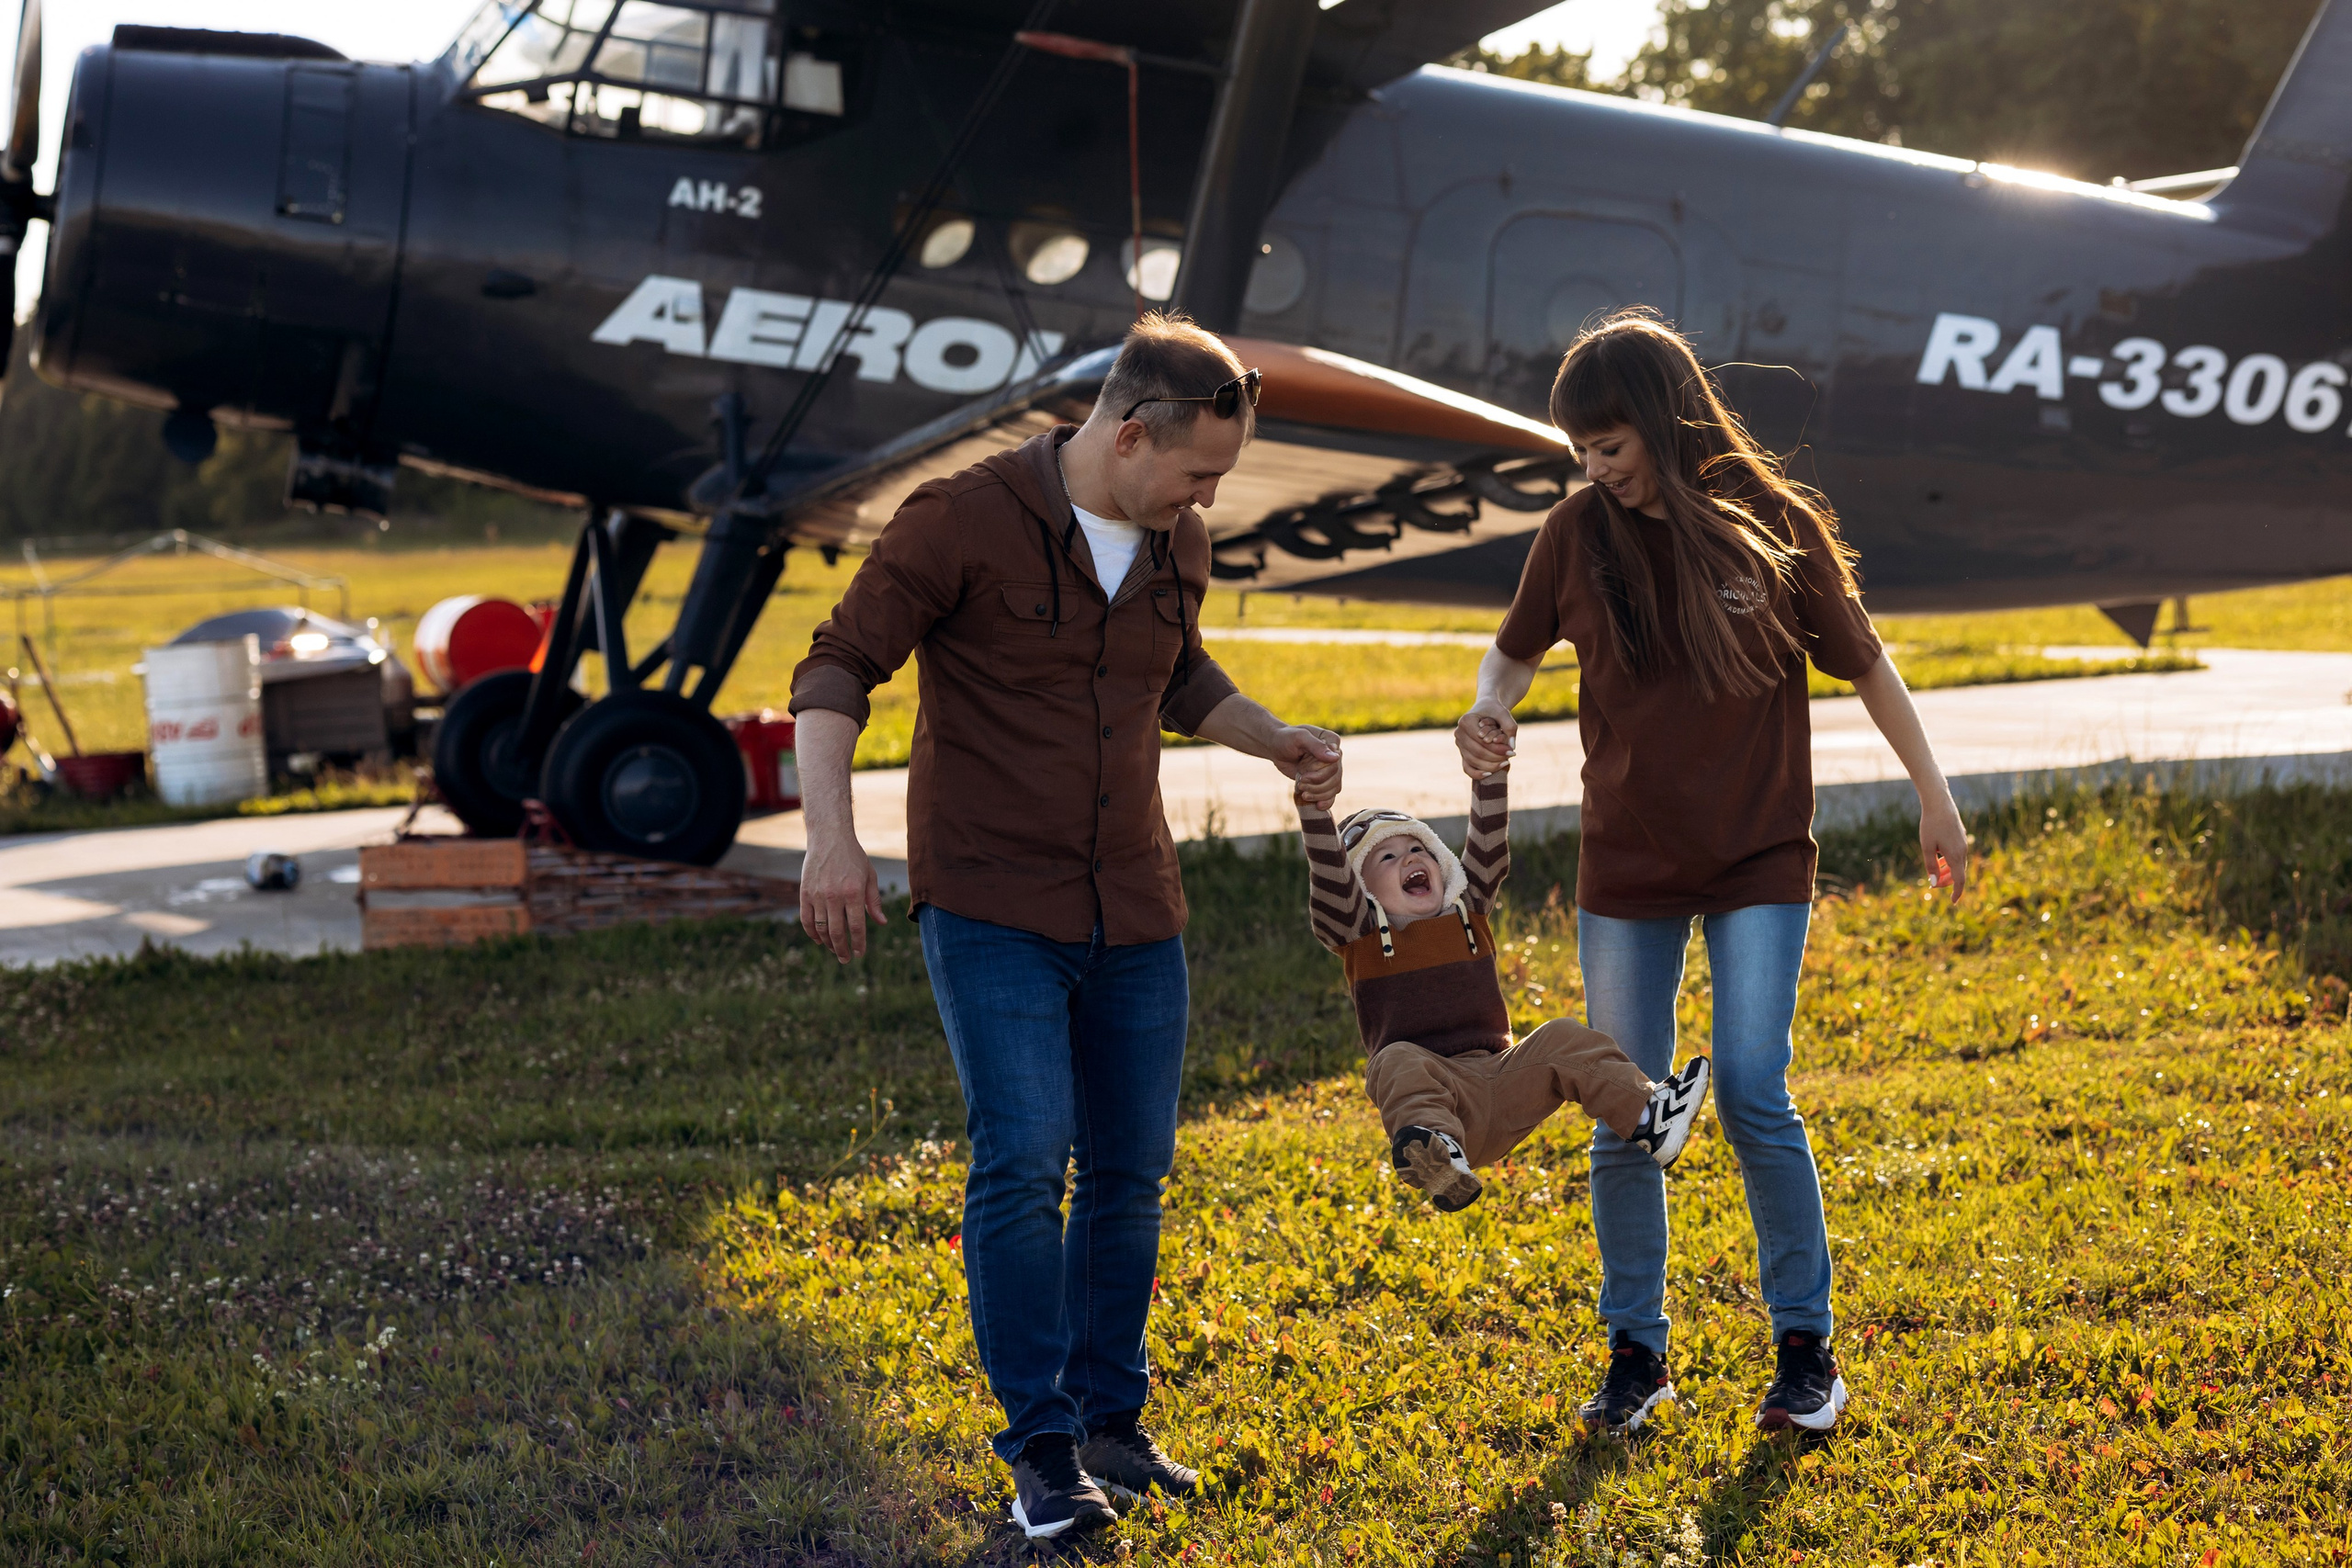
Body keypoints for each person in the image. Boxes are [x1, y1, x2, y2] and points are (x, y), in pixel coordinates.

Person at [789, 312, 1343, 1541]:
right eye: (1199, 470)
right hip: (993, 904)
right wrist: (834, 837)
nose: (1210, 495)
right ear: (1131, 431)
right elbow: (835, 671)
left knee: (1131, 1177)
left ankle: (1110, 1422)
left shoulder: (1171, 537)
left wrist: (1275, 737)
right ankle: (1040, 1448)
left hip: (1136, 904)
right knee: (1025, 1159)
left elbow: (1178, 674)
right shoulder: (960, 517)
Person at [1455, 309, 1969, 1438]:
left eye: (1611, 449)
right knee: (1621, 1102)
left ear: (1661, 421)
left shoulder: (1770, 524)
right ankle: (1635, 1356)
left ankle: (1804, 1354)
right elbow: (1510, 652)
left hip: (1758, 858)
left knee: (1747, 1085)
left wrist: (1934, 795)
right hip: (1626, 865)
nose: (1595, 472)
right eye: (1580, 454)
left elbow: (1871, 669)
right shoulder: (1574, 532)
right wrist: (1487, 715)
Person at [1292, 743, 1712, 1212]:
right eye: (1385, 858)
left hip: (1504, 1078)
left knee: (1563, 1036)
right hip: (1442, 1095)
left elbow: (1488, 848)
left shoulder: (1468, 912)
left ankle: (1651, 1117)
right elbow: (1330, 879)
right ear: (1362, 889)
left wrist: (1489, 772)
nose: (1409, 859)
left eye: (1417, 848)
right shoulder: (1361, 936)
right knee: (1395, 1061)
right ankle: (1439, 1156)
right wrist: (1315, 808)